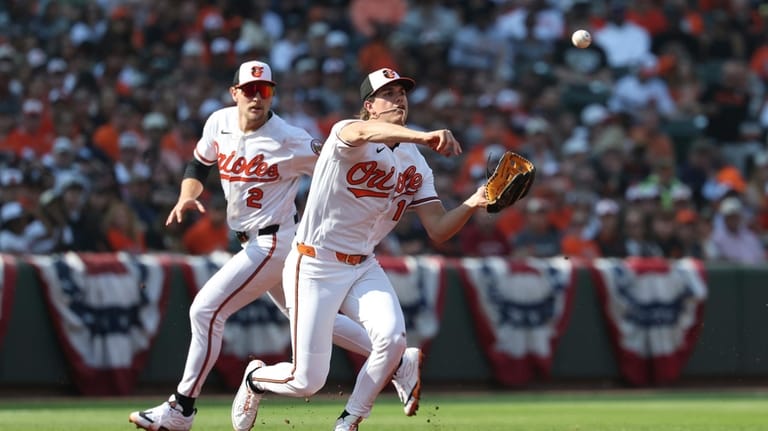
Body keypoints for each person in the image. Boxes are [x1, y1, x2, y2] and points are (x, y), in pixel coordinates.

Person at [128, 61, 422, 431]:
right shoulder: (219, 122)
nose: (256, 96)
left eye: (264, 89)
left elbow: (340, 160)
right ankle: (397, 362)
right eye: (249, 89)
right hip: (254, 241)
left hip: (276, 240)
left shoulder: (290, 138)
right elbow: (198, 163)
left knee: (206, 311)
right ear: (234, 93)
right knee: (318, 325)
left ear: (272, 94)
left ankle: (181, 409)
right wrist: (188, 195)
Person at [230, 67, 489, 431]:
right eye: (389, 93)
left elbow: (439, 229)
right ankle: (255, 379)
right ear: (369, 105)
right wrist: (426, 136)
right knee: (307, 381)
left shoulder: (415, 162)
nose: (399, 97)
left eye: (402, 92)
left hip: (363, 266)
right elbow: (364, 131)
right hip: (314, 263)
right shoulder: (347, 132)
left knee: (393, 338)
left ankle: (349, 420)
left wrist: (475, 201)